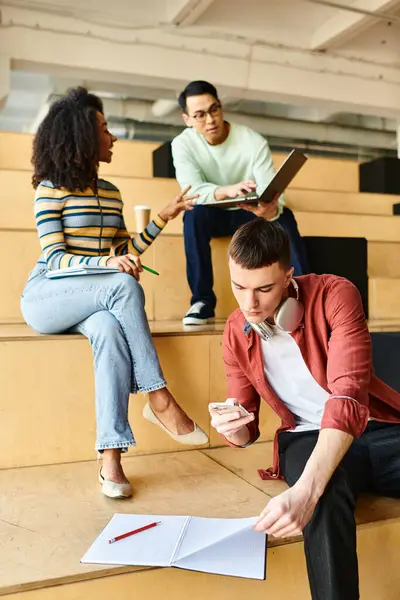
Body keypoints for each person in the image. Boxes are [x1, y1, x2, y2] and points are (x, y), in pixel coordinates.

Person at [21, 87, 208, 500]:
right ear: (84, 137)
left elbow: (125, 252)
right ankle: (158, 398)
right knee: (122, 284)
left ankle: (111, 458)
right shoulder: (50, 189)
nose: (113, 137)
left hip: (96, 299)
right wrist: (107, 265)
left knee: (107, 328)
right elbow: (55, 259)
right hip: (48, 297)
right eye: (105, 129)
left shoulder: (110, 192)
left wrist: (164, 216)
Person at [209, 217, 400, 600]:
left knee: (313, 490)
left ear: (289, 276)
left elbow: (347, 394)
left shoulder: (335, 294)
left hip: (373, 427)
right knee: (322, 497)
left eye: (264, 289)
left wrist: (306, 490)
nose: (250, 304)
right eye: (239, 287)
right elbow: (246, 425)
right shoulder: (235, 331)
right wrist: (233, 428)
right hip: (305, 437)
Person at [171, 80, 309, 326]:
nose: (210, 120)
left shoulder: (252, 141)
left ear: (221, 106)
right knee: (192, 216)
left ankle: (303, 296)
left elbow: (271, 186)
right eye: (199, 115)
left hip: (251, 212)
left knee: (284, 216)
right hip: (214, 212)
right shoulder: (182, 145)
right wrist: (226, 191)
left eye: (214, 109)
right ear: (187, 119)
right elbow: (191, 192)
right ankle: (202, 300)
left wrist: (271, 209)